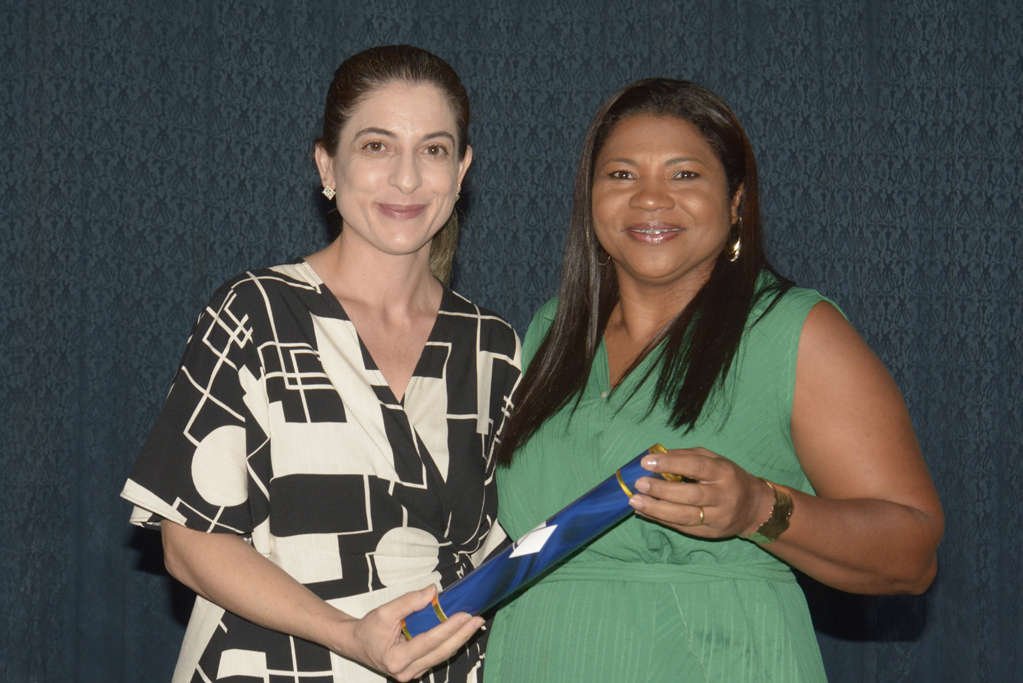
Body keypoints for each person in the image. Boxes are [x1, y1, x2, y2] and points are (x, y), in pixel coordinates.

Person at [482, 79, 943, 682]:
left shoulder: (793, 331)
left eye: (684, 175)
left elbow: (912, 555)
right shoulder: (552, 330)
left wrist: (758, 508)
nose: (650, 198)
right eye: (621, 175)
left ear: (736, 202)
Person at [121, 45, 521, 683]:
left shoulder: (492, 345)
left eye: (434, 149)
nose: (407, 178)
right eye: (377, 146)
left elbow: (507, 549)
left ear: (462, 169)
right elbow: (188, 542)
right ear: (327, 164)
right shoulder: (257, 313)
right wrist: (350, 636)